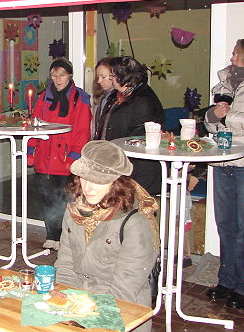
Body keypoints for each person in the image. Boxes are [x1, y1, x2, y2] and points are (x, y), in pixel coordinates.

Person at [55, 140, 159, 331]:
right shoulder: (75, 211)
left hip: (120, 310)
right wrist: (64, 303)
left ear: (116, 183)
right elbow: (65, 264)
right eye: (84, 178)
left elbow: (124, 289)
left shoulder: (136, 222)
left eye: (98, 181)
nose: (88, 188)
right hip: (78, 304)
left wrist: (84, 318)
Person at [28, 58, 92, 250]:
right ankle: (51, 235)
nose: (58, 79)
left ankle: (66, 239)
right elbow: (35, 124)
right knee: (48, 198)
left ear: (69, 76)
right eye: (54, 76)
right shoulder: (44, 97)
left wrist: (73, 157)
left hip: (65, 159)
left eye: (61, 75)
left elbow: (82, 131)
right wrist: (31, 150)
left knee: (67, 201)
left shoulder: (79, 98)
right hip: (45, 158)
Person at [204, 38, 244, 310]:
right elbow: (211, 123)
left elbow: (232, 119)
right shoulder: (224, 83)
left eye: (236, 53)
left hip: (242, 164)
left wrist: (226, 116)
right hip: (222, 163)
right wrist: (213, 115)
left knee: (242, 230)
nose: (232, 58)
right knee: (225, 226)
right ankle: (226, 281)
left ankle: (241, 286)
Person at [93, 56, 165, 195]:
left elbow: (138, 139)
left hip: (138, 172)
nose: (111, 79)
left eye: (113, 75)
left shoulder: (144, 101)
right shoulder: (118, 96)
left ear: (124, 77)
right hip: (120, 166)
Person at [91, 56, 113, 139]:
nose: (99, 81)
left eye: (103, 77)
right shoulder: (102, 97)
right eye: (98, 77)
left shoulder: (119, 99)